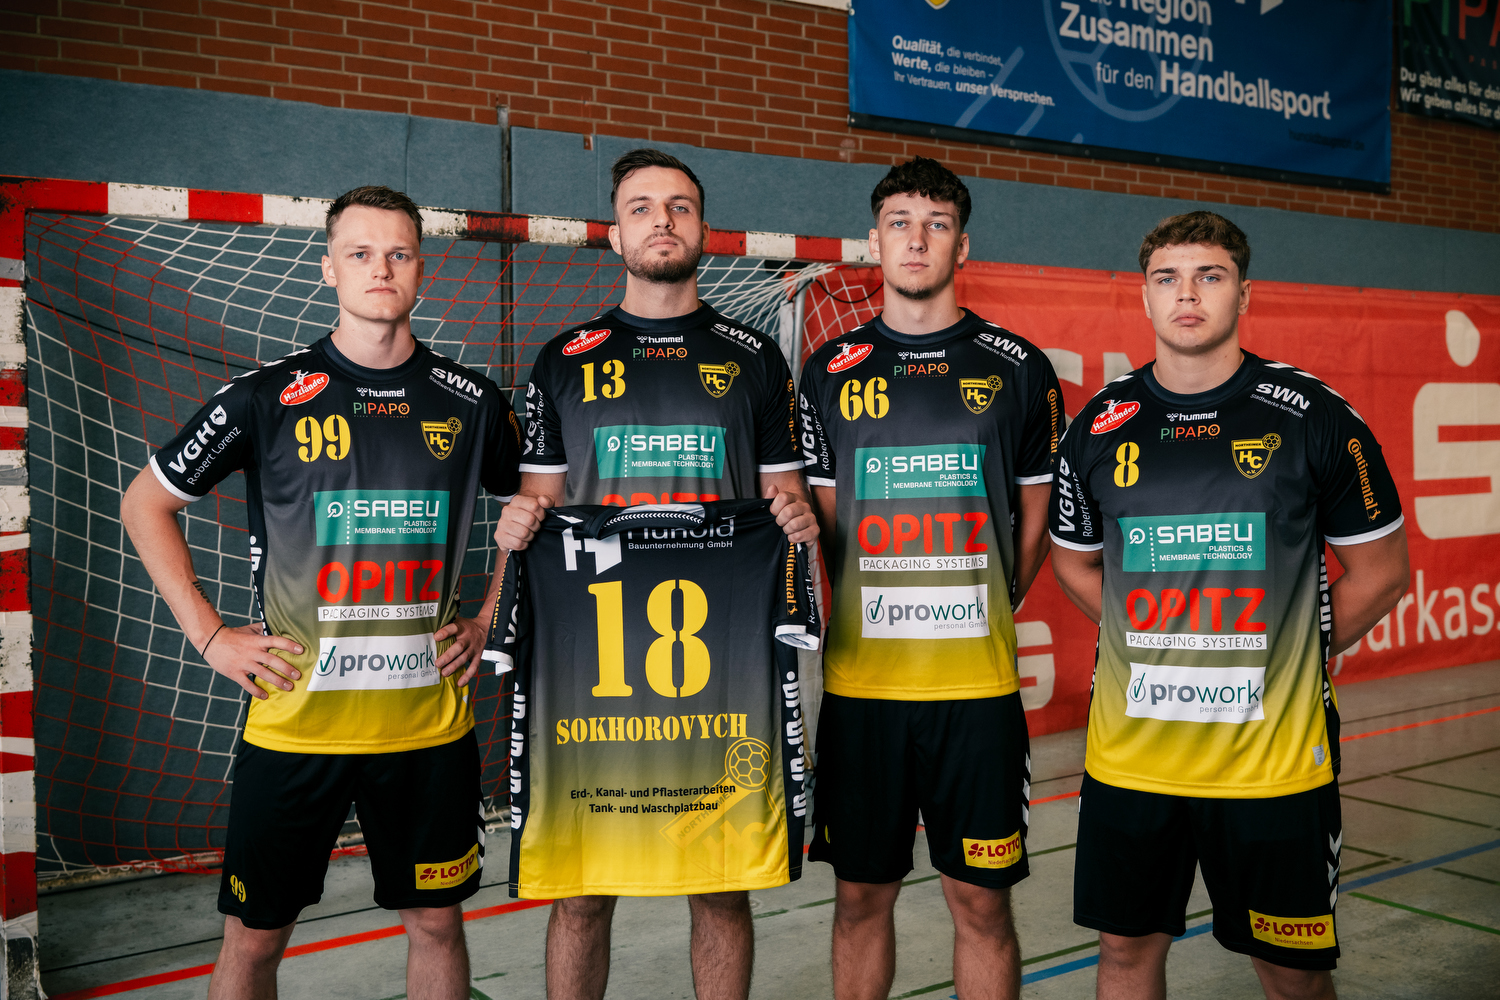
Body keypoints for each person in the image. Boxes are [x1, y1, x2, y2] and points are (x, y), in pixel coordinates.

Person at [121, 185, 522, 1000]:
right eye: (361, 253)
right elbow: (144, 503)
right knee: (253, 939)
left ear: (422, 269)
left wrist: (490, 617)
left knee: (438, 926)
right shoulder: (265, 396)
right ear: (330, 268)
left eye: (399, 253)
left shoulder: (472, 402)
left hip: (427, 730)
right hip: (295, 727)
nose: (382, 269)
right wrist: (209, 635)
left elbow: (534, 508)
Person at [1048, 211, 1409, 1000]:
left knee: (1292, 976)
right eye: (1168, 278)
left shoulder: (1313, 415)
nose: (1187, 295)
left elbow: (1381, 573)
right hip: (1132, 761)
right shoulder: (1099, 425)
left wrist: (1292, 648)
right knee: (1124, 953)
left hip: (1272, 767)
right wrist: (1145, 638)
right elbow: (1074, 562)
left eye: (1209, 276)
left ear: (1244, 294)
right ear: (1145, 297)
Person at [493, 148, 818, 1000]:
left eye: (679, 206)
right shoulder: (564, 358)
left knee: (721, 883)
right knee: (581, 890)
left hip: (720, 664)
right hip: (592, 664)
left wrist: (797, 523)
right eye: (640, 207)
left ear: (703, 230)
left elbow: (786, 500)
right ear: (615, 234)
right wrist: (512, 541)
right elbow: (537, 509)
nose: (661, 221)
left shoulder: (755, 358)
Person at [797, 156, 1062, 1000]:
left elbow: (1035, 521)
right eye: (900, 223)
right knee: (858, 900)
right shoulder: (829, 370)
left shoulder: (1019, 367)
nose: (917, 239)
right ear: (874, 241)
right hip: (862, 692)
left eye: (936, 224)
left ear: (962, 244)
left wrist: (989, 598)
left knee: (980, 904)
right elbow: (826, 529)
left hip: (975, 692)